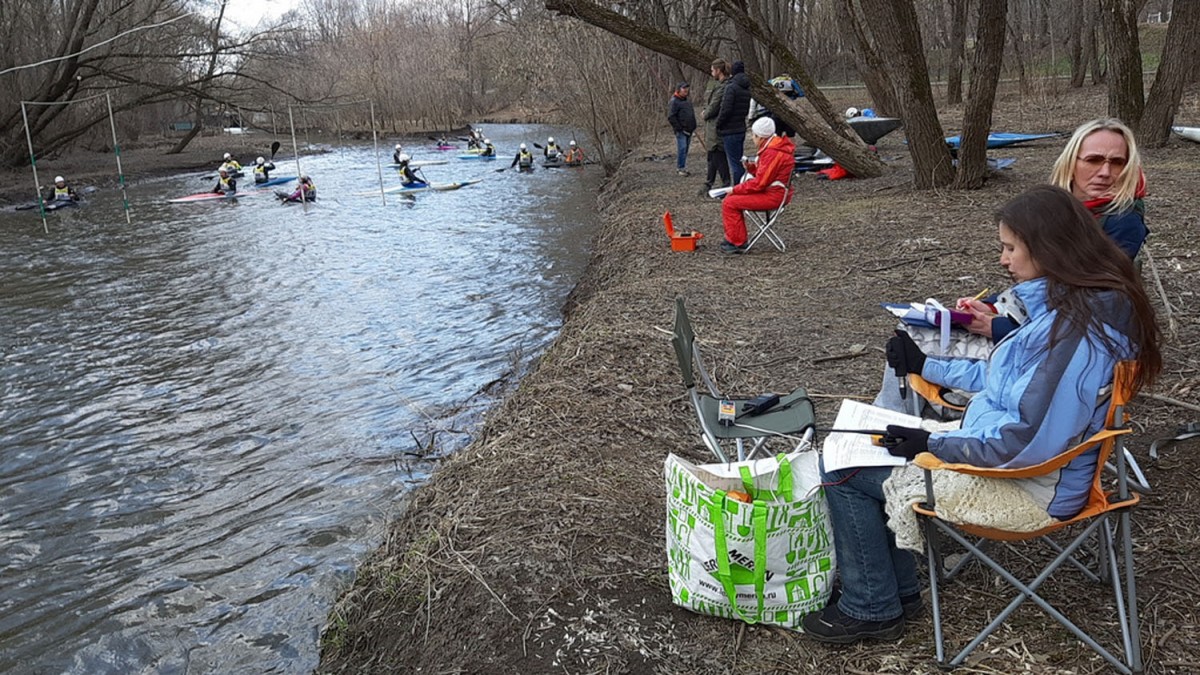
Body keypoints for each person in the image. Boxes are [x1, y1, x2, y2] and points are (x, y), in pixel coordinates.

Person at [803, 185, 1161, 644]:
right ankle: (898, 593)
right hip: (1013, 457)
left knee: (843, 469)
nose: (1003, 260)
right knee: (853, 446)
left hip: (1031, 485)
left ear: (1048, 249)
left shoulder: (1075, 332)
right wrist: (924, 365)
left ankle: (871, 607)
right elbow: (1005, 377)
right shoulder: (1070, 309)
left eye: (1010, 248)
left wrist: (932, 443)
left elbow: (1026, 441)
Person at [718, 117, 794, 253]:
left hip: (774, 196)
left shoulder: (772, 153)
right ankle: (736, 239)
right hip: (775, 192)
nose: (752, 138)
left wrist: (734, 189)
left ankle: (736, 242)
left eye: (754, 135)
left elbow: (760, 183)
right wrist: (751, 167)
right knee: (730, 200)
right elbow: (766, 175)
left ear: (760, 137)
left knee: (729, 203)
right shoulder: (774, 148)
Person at [716, 61, 752, 184]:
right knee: (739, 160)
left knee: (735, 164)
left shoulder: (731, 87)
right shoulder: (746, 88)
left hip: (730, 130)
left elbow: (726, 109)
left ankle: (738, 188)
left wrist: (719, 123)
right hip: (740, 128)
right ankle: (741, 185)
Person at [701, 59, 731, 194]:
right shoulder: (717, 85)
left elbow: (714, 106)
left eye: (713, 70)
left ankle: (726, 182)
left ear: (719, 71)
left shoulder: (723, 87)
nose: (711, 72)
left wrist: (705, 114)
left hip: (716, 125)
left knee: (718, 153)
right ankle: (709, 182)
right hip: (712, 126)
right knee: (712, 155)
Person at [667, 82, 696, 176]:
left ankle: (682, 166)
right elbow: (671, 117)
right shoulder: (674, 101)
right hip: (681, 130)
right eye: (684, 89)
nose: (686, 91)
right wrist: (679, 128)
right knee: (682, 148)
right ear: (679, 90)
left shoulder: (687, 101)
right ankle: (680, 168)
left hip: (689, 129)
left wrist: (693, 126)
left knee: (685, 149)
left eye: (687, 89)